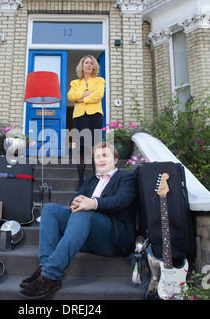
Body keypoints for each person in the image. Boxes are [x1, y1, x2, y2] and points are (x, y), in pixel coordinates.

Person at [18, 142, 138, 300]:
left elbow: (121, 201)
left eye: (105, 155)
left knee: (84, 212)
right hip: (85, 236)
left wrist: (93, 203)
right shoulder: (90, 181)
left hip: (112, 238)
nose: (101, 159)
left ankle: (51, 275)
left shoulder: (126, 177)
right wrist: (77, 202)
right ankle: (44, 267)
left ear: (115, 159)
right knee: (50, 209)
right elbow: (76, 198)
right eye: (97, 157)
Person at [67, 55, 105, 190]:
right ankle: (81, 181)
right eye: (86, 63)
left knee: (94, 148)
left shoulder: (100, 80)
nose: (89, 65)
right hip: (79, 118)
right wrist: (86, 93)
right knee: (81, 148)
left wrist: (82, 98)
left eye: (91, 63)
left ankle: (96, 180)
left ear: (94, 66)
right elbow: (71, 96)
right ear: (82, 66)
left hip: (94, 116)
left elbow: (98, 95)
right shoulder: (74, 83)